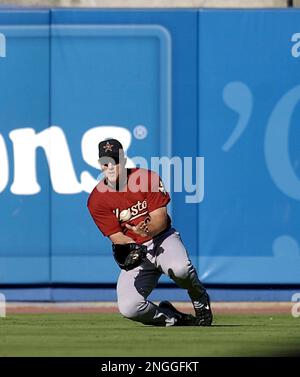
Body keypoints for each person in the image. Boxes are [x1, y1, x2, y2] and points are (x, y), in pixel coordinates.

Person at [87, 138, 213, 327]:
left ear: (124, 160)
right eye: (106, 163)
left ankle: (199, 297)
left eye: (116, 161)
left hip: (162, 240)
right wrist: (130, 246)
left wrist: (146, 229)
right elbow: (116, 236)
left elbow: (160, 220)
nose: (111, 167)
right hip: (137, 252)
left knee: (181, 270)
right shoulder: (97, 200)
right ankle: (174, 318)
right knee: (129, 307)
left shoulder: (147, 178)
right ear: (100, 165)